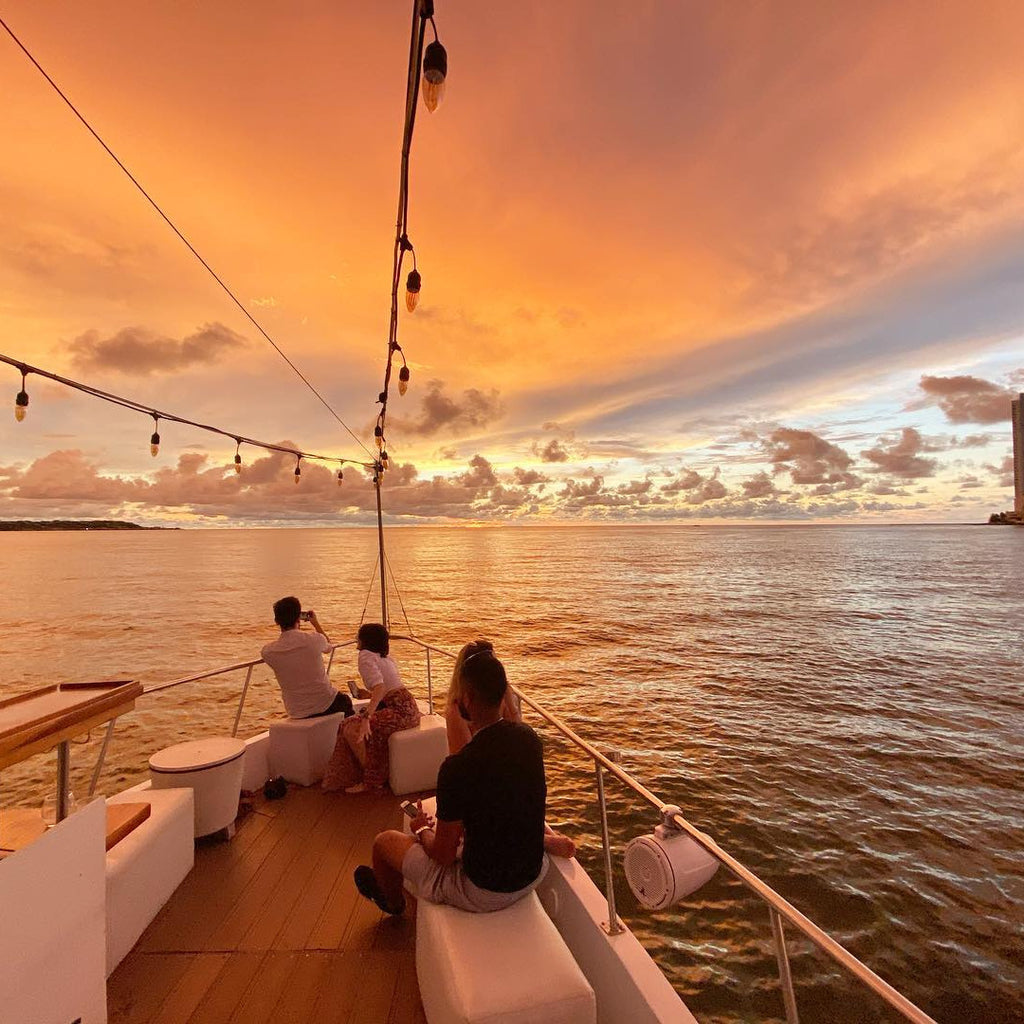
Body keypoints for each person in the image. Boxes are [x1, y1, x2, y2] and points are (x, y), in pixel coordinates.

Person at [353, 645, 548, 915]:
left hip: (483, 891)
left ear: (466, 700)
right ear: (505, 694)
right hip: (533, 873)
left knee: (384, 843)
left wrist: (422, 831)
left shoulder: (458, 767)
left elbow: (442, 857)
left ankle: (392, 903)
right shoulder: (530, 740)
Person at [446, 639, 575, 859]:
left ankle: (538, 836)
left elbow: (518, 734)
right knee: (508, 791)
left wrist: (506, 696)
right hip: (483, 788)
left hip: (500, 783)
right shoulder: (458, 712)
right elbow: (468, 770)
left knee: (516, 788)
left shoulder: (498, 701)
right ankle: (541, 839)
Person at [321, 622, 420, 794]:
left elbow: (381, 688)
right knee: (355, 724)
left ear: (364, 640)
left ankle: (372, 779)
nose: (356, 639)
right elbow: (386, 689)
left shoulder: (365, 656)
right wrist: (367, 695)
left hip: (399, 710)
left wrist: (367, 717)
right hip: (408, 707)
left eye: (358, 635)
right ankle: (376, 773)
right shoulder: (385, 658)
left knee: (350, 727)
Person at [261, 597, 353, 719]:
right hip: (326, 703)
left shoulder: (269, 652)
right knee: (345, 700)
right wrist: (315, 623)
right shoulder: (314, 640)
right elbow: (328, 647)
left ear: (276, 621)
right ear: (298, 617)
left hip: (296, 711)